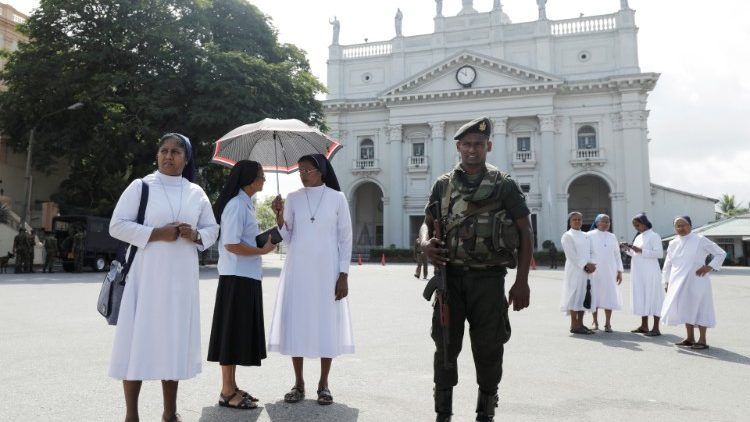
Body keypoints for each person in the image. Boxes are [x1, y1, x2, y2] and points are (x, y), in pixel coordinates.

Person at [420, 117, 533, 422]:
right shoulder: (443, 184)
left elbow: (525, 231)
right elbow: (427, 223)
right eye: (467, 144)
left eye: (479, 144)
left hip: (489, 280)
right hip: (450, 279)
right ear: (458, 147)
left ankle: (486, 411)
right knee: (445, 348)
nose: (472, 149)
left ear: (489, 147)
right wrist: (424, 244)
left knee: (489, 348)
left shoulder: (504, 184)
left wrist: (521, 282)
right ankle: (443, 413)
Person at [108, 133, 219, 422]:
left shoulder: (196, 192)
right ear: (157, 155)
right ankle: (131, 415)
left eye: (176, 152)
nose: (168, 156)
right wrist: (157, 233)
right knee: (137, 345)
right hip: (146, 282)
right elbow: (117, 225)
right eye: (164, 151)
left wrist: (194, 235)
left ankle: (170, 413)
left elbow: (212, 229)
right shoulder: (141, 186)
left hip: (181, 284)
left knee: (172, 345)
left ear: (187, 158)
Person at [268, 154, 354, 406]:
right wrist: (279, 215)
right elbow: (287, 236)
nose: (302, 173)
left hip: (327, 270)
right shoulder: (293, 198)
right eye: (300, 170)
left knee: (326, 323)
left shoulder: (337, 198)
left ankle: (323, 384)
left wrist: (344, 274)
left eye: (307, 169)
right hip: (298, 270)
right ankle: (299, 383)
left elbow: (345, 238)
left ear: (321, 171)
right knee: (298, 322)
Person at [207, 160, 275, 410]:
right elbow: (231, 245)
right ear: (249, 178)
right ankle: (226, 391)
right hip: (236, 278)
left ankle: (232, 386)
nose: (264, 180)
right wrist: (262, 250)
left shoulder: (246, 204)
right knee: (230, 334)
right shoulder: (236, 205)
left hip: (245, 277)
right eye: (261, 175)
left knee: (235, 333)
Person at [661, 216, 726, 350]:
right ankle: (689, 338)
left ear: (690, 226)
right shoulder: (673, 243)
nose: (680, 228)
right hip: (677, 282)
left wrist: (709, 266)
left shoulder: (700, 239)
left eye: (683, 225)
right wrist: (667, 282)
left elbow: (721, 253)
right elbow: (668, 264)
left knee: (701, 308)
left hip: (698, 280)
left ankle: (702, 340)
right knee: (685, 308)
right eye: (677, 226)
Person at [622, 213, 664, 336]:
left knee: (654, 297)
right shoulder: (639, 237)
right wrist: (627, 249)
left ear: (645, 223)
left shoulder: (654, 236)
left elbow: (659, 254)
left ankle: (656, 328)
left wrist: (639, 250)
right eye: (634, 225)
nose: (636, 227)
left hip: (650, 272)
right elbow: (637, 254)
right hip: (639, 272)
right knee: (642, 296)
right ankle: (644, 326)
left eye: (637, 224)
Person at [560, 212, 596, 335]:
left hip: (587, 271)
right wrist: (585, 265)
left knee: (584, 295)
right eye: (574, 219)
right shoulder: (567, 236)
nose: (577, 221)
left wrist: (592, 264)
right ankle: (574, 324)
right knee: (574, 295)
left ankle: (580, 323)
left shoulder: (586, 235)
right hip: (575, 270)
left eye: (579, 219)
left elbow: (592, 251)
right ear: (570, 222)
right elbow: (571, 255)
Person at [588, 214, 624, 332]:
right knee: (595, 296)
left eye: (608, 222)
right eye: (603, 221)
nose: (606, 223)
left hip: (610, 271)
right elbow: (586, 252)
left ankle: (608, 323)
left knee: (609, 296)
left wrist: (619, 271)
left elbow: (617, 255)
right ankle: (595, 321)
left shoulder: (612, 236)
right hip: (595, 271)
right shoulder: (589, 235)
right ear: (597, 222)